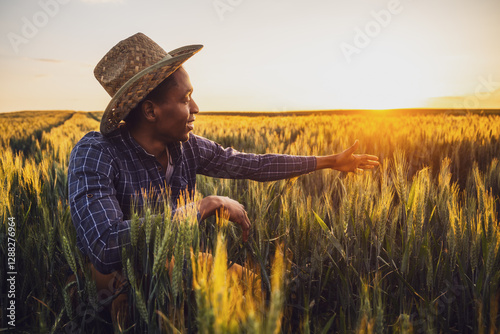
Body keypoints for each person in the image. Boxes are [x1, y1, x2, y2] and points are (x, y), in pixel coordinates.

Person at [68, 32, 379, 326]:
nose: (196, 108)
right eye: (185, 98)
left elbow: (253, 165)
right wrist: (203, 206)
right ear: (151, 111)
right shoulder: (97, 153)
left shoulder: (186, 147)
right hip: (122, 283)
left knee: (260, 294)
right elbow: (104, 246)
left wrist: (328, 161)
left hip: (178, 263)